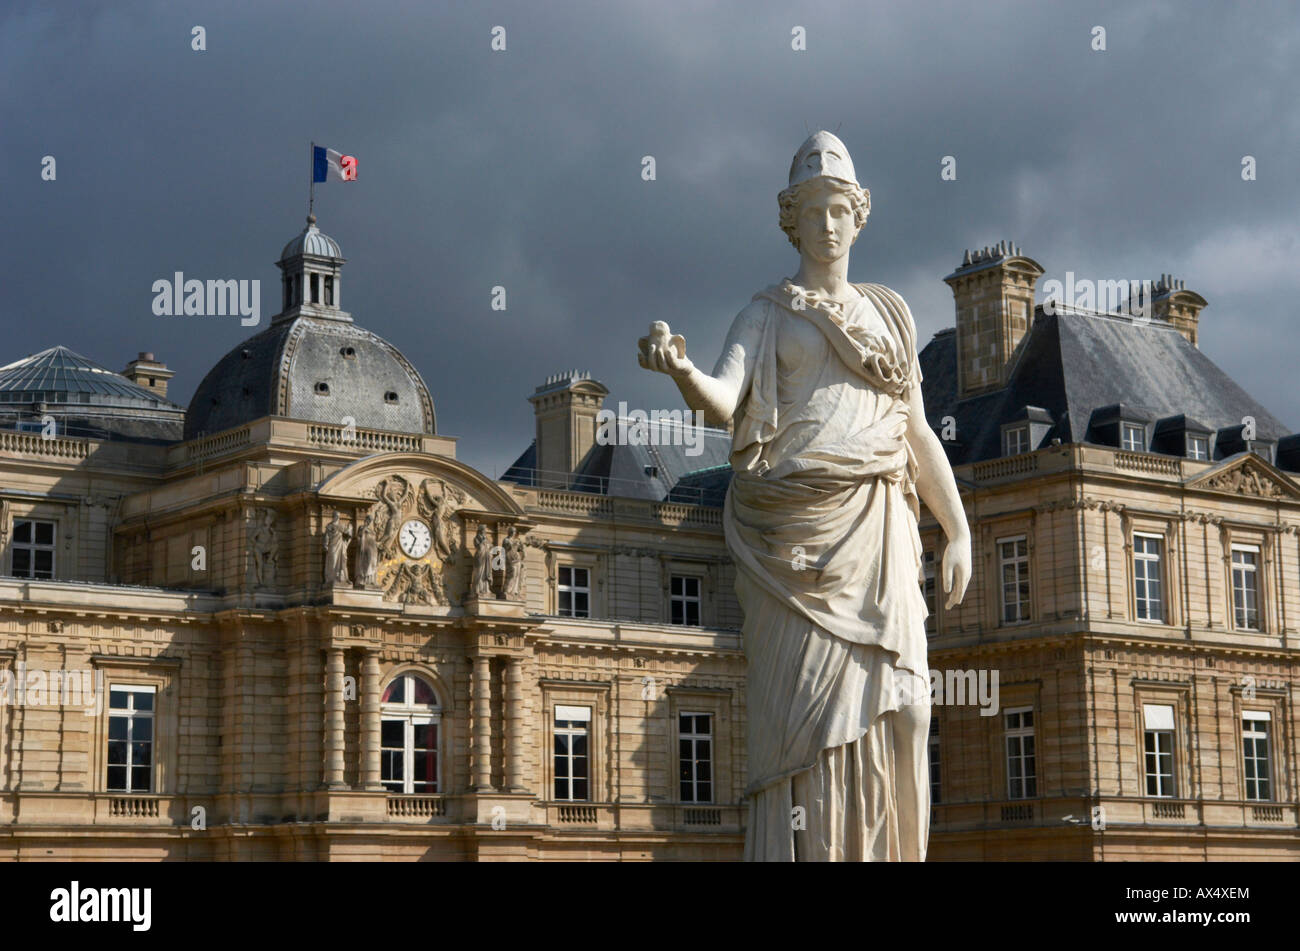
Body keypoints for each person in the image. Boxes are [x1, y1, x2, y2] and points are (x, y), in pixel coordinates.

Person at [638, 131, 971, 861]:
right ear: (791, 220)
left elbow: (915, 431)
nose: (826, 224)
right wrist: (682, 370)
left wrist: (959, 526)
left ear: (859, 214)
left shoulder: (890, 315)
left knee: (908, 712)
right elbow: (725, 402)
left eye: (837, 209)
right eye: (811, 210)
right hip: (790, 545)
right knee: (804, 734)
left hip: (879, 525)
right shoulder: (766, 313)